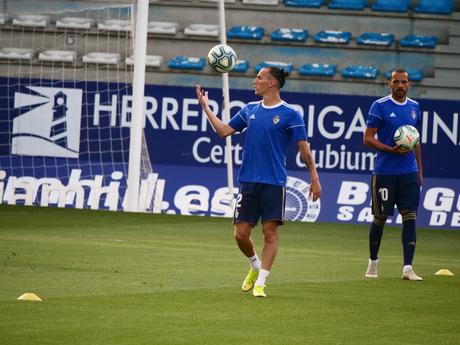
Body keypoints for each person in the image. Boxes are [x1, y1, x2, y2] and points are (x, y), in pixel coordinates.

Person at [196, 67, 322, 297]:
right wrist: (206, 108)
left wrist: (314, 178)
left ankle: (261, 282)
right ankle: (255, 265)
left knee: (269, 234)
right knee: (240, 234)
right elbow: (224, 131)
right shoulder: (249, 110)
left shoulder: (290, 114)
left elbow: (304, 151)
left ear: (272, 83)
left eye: (259, 78)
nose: (254, 81)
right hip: (248, 181)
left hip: (274, 182)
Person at [364, 69, 423, 281]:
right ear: (389, 84)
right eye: (396, 81)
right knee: (380, 218)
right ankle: (373, 262)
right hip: (385, 172)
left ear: (409, 85)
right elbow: (368, 139)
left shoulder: (415, 107)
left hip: (408, 173)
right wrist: (391, 150)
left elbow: (415, 141)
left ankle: (408, 268)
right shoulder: (379, 106)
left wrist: (419, 170)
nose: (400, 85)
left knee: (410, 217)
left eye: (404, 82)